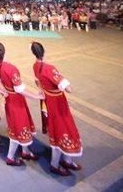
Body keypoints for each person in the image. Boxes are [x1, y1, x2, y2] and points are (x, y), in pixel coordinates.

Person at [31, 42, 82, 176]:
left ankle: (66, 159)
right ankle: (55, 164)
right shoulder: (49, 68)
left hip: (48, 100)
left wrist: (44, 89)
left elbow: (36, 81)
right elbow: (69, 89)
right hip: (58, 103)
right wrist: (63, 78)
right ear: (44, 52)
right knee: (62, 129)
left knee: (57, 128)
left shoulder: (35, 66)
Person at [0, 41, 42, 166]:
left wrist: (3, 90)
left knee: (16, 125)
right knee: (18, 127)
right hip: (16, 100)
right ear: (5, 51)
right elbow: (20, 89)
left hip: (9, 98)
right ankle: (10, 157)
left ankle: (25, 150)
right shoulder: (11, 69)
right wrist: (36, 96)